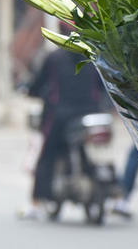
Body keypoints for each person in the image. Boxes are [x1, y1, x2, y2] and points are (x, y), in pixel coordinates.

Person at [19, 44, 107, 219]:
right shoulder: (92, 57)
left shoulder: (54, 58)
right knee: (89, 154)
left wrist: (29, 90)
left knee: (47, 156)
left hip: (60, 115)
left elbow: (38, 83)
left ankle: (36, 202)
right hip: (92, 113)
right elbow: (103, 87)